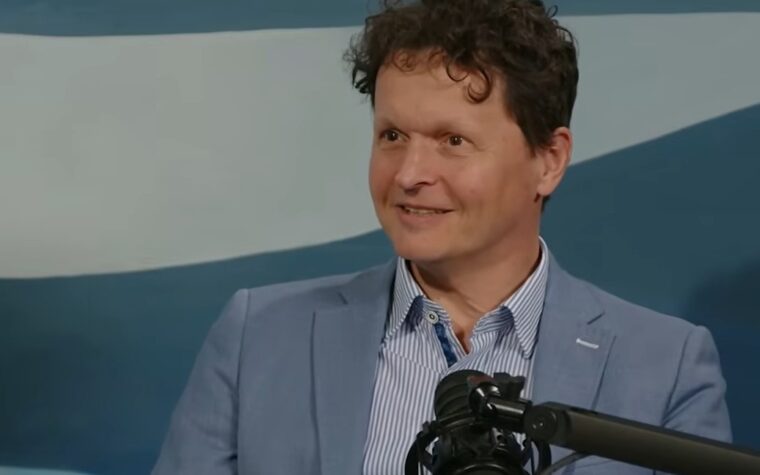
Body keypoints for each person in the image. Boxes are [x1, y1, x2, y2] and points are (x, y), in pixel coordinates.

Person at [152, 1, 731, 473]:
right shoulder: (258, 338)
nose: (408, 174)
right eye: (392, 136)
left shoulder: (666, 370)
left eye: (453, 141)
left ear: (549, 160)